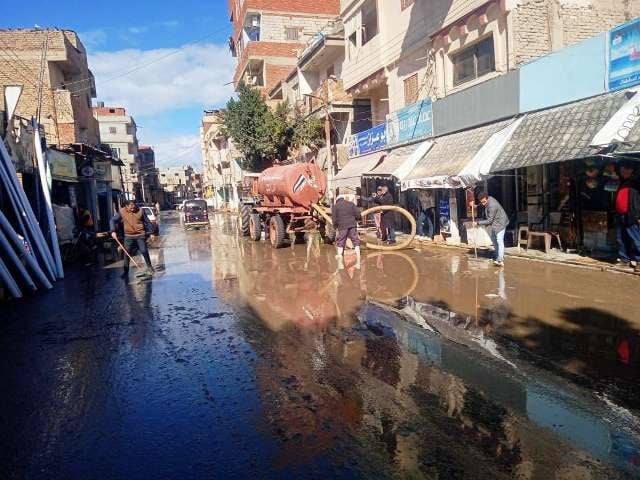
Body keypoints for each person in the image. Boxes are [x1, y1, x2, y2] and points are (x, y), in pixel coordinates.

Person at [110, 200, 156, 279]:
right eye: (131, 208)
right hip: (128, 236)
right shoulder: (122, 211)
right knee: (126, 253)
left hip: (140, 235)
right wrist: (113, 231)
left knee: (144, 250)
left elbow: (148, 222)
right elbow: (112, 220)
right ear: (126, 206)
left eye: (134, 207)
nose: (133, 209)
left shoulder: (140, 211)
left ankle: (150, 267)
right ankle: (126, 272)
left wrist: (152, 233)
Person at [615, 161, 640, 273]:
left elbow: (636, 201)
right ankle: (624, 260)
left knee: (636, 238)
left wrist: (638, 216)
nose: (623, 172)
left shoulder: (636, 183)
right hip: (621, 214)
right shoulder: (623, 182)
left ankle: (639, 261)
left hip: (632, 215)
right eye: (622, 170)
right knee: (621, 238)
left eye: (625, 170)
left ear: (632, 171)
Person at [476, 192, 509, 267]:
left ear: (487, 198)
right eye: (482, 202)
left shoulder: (492, 205)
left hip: (501, 223)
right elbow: (482, 203)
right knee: (494, 240)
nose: (483, 204)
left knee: (499, 240)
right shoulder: (487, 199)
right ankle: (498, 256)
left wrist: (478, 223)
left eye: (484, 202)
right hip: (495, 224)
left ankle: (500, 260)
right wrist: (476, 206)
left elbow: (489, 220)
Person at [331, 194, 362, 269]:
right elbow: (357, 214)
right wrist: (358, 219)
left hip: (342, 226)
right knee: (355, 239)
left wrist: (335, 226)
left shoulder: (335, 206)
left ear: (337, 200)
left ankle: (340, 255)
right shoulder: (351, 204)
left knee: (341, 240)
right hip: (352, 224)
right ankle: (358, 254)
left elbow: (334, 218)